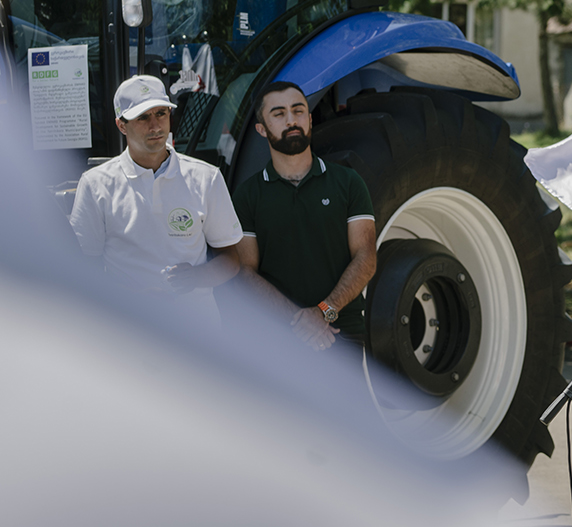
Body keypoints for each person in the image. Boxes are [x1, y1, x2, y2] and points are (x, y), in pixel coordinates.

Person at [68, 75, 242, 318]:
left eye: (161, 113)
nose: (155, 126)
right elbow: (83, 270)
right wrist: (133, 298)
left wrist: (195, 277)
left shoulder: (206, 177)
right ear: (121, 125)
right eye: (142, 117)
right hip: (127, 330)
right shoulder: (96, 184)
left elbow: (231, 260)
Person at [233, 81, 376, 350]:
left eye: (298, 111)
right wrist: (300, 322)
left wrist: (324, 312)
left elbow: (366, 258)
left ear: (309, 119)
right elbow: (245, 271)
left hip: (340, 332)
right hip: (278, 337)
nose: (291, 120)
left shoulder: (348, 182)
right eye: (279, 114)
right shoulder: (247, 195)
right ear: (261, 129)